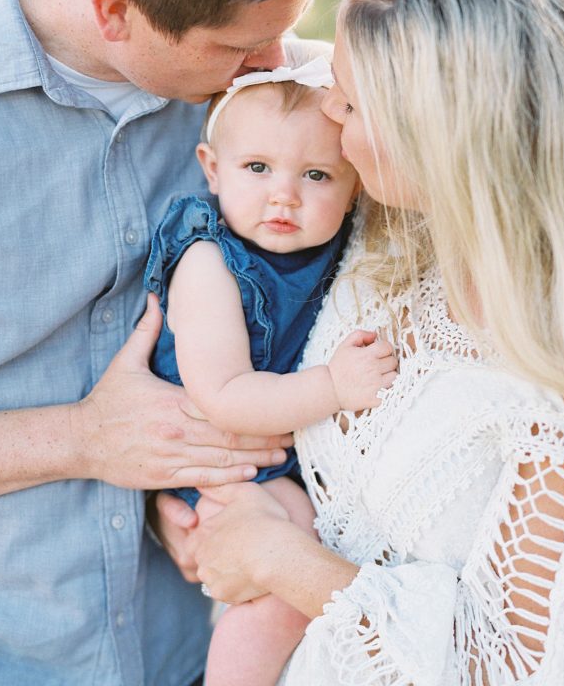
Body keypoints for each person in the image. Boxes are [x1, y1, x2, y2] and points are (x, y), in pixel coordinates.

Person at [170, 0, 564, 685]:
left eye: (350, 105)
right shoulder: (389, 243)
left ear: (442, 137)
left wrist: (276, 557)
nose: (326, 114)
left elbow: (512, 669)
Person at [0, 0, 342, 686]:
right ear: (114, 11)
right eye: (240, 48)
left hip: (198, 645)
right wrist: (84, 439)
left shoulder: (247, 94)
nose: (277, 67)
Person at [145, 41, 397, 686]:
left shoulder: (340, 238)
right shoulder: (208, 262)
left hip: (270, 452)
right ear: (212, 168)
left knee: (306, 563)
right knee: (286, 584)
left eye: (316, 175)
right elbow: (224, 395)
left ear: (355, 188)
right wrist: (334, 387)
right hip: (216, 453)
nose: (284, 196)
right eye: (257, 167)